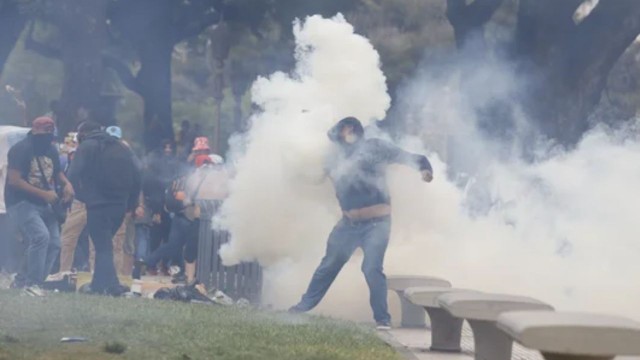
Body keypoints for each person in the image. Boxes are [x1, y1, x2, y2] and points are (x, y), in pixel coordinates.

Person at [289, 117, 433, 329]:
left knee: (371, 267)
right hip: (348, 225)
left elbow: (411, 158)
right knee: (328, 264)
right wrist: (294, 173)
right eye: (340, 131)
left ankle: (382, 319)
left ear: (354, 130)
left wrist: (425, 170)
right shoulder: (334, 159)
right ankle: (303, 307)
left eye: (347, 129)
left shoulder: (375, 147)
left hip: (377, 224)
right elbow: (315, 178)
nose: (343, 134)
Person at [67, 121, 140, 296]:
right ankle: (99, 284)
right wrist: (131, 204)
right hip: (119, 206)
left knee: (103, 246)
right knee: (104, 244)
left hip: (98, 204)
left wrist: (82, 195)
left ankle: (113, 285)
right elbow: (137, 175)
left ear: (82, 134)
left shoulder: (87, 146)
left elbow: (73, 174)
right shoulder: (122, 148)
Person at [5, 117, 75, 295]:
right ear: (34, 132)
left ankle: (26, 280)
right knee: (40, 237)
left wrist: (67, 184)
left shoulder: (51, 149)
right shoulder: (20, 149)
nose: (48, 137)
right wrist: (44, 194)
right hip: (20, 202)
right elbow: (14, 181)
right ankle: (32, 284)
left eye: (50, 134)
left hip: (45, 202)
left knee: (54, 243)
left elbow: (57, 172)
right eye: (45, 133)